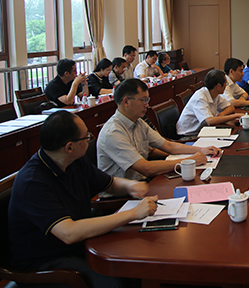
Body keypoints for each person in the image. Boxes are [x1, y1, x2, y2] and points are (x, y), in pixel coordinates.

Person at [8, 111, 158, 287]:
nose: (89, 139)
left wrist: (131, 186)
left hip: (80, 243)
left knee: (138, 255)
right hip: (46, 262)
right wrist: (133, 213)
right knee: (120, 276)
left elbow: (109, 183)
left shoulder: (74, 161)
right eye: (86, 137)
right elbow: (68, 233)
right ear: (69, 147)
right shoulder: (33, 181)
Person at [97, 79, 220, 181]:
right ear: (126, 102)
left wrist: (202, 150)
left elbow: (169, 146)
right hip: (125, 194)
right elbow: (146, 168)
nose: (147, 105)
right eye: (143, 100)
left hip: (143, 183)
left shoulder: (138, 122)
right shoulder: (113, 132)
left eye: (147, 100)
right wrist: (189, 161)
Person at [177, 70, 241, 136]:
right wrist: (235, 116)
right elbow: (210, 121)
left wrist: (221, 114)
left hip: (203, 130)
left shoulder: (215, 94)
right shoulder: (200, 97)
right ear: (218, 86)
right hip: (189, 135)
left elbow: (231, 107)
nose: (226, 86)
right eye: (225, 83)